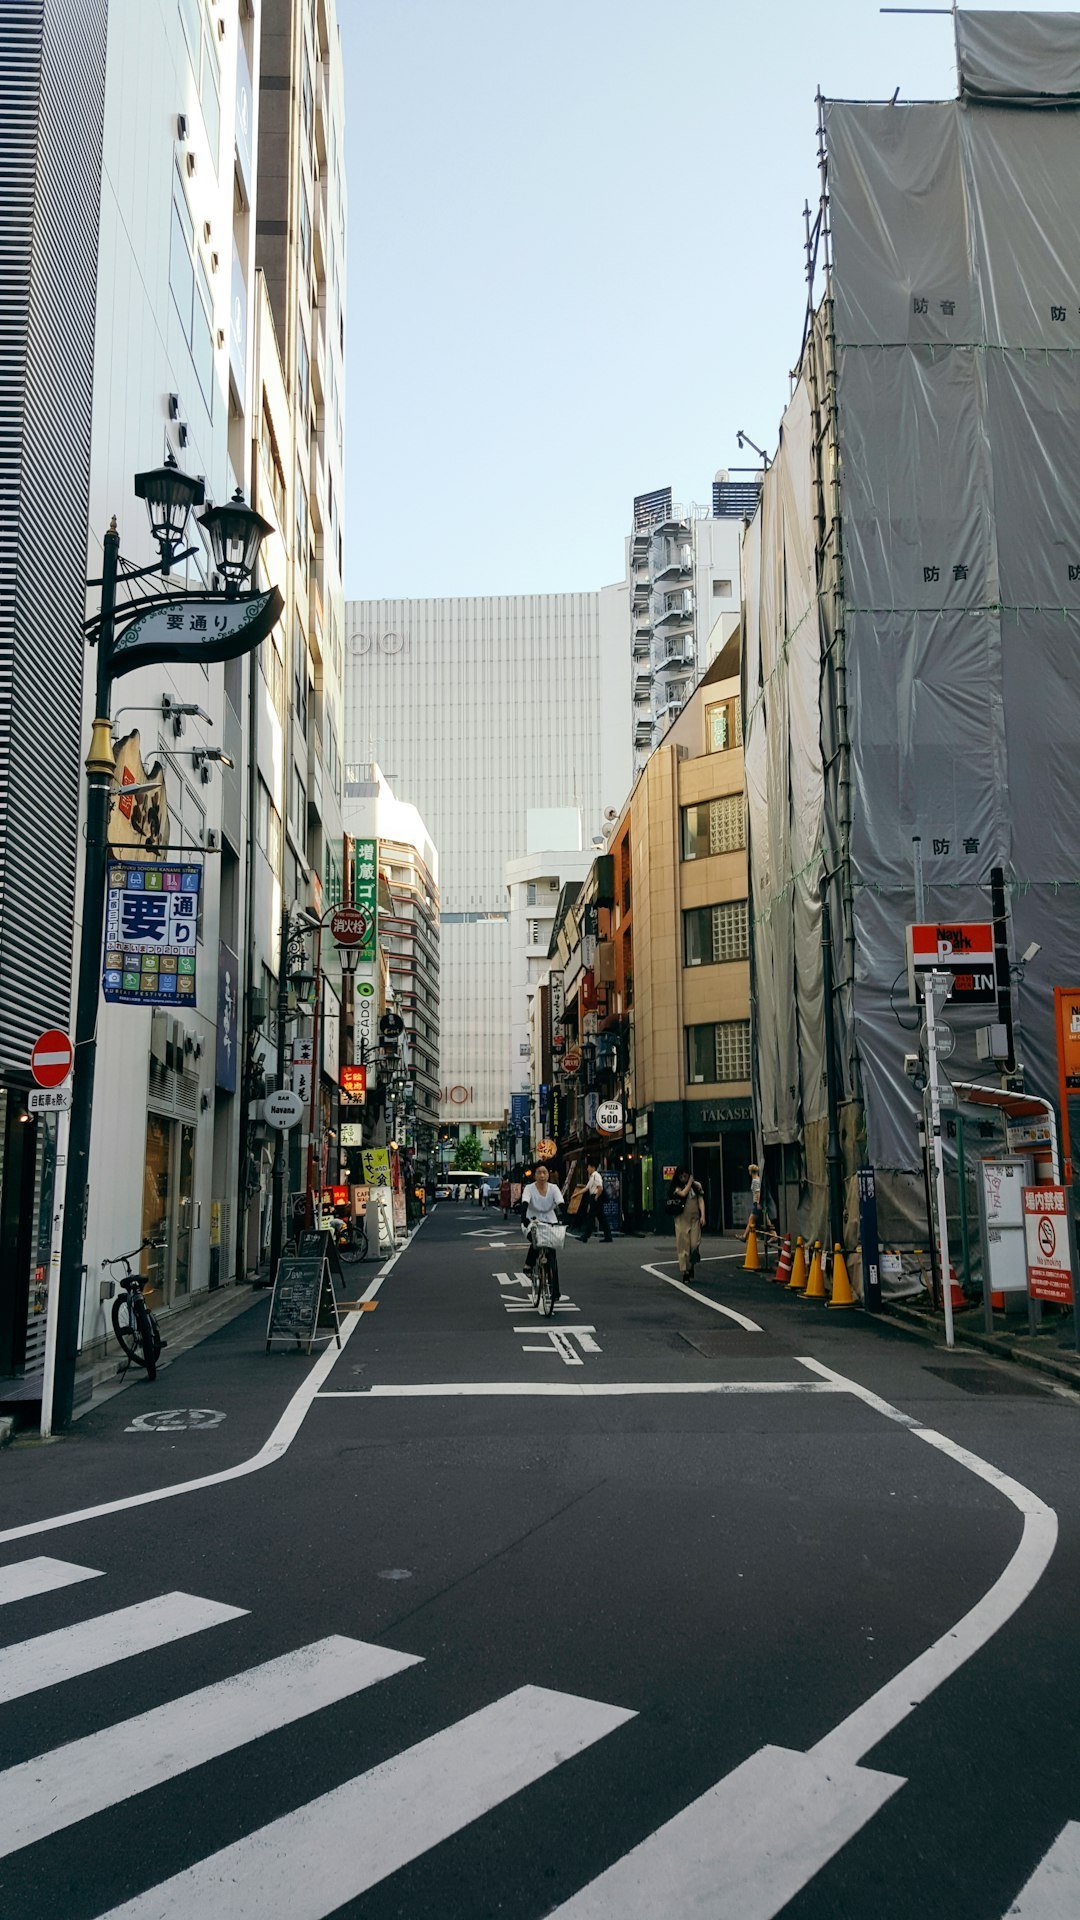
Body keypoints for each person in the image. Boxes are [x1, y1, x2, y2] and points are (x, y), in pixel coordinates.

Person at [519, 1162, 567, 1300]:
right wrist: (524, 1219)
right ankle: (529, 1264)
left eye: (544, 1172)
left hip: (550, 1220)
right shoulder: (529, 1188)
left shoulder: (554, 1188)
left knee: (552, 1253)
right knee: (536, 1240)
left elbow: (560, 1203)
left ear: (548, 1175)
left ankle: (555, 1291)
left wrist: (567, 1217)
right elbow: (525, 1202)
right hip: (532, 1220)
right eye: (539, 1173)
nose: (542, 1175)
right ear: (534, 1175)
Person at [668, 1165, 705, 1278]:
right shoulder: (676, 1186)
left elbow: (701, 1200)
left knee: (694, 1244)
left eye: (686, 1175)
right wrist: (690, 1182)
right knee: (683, 1245)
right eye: (681, 1175)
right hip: (681, 1219)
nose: (683, 1177)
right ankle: (685, 1271)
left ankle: (691, 1265)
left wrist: (703, 1215)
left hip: (695, 1218)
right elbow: (683, 1193)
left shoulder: (697, 1186)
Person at [578, 1159, 612, 1244]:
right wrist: (577, 1194)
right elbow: (586, 1188)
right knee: (601, 1217)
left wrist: (596, 1197)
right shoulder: (592, 1176)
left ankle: (585, 1236)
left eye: (588, 1167)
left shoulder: (596, 1176)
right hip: (594, 1198)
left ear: (592, 1167)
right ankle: (608, 1236)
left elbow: (600, 1187)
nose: (587, 1169)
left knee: (590, 1217)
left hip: (596, 1198)